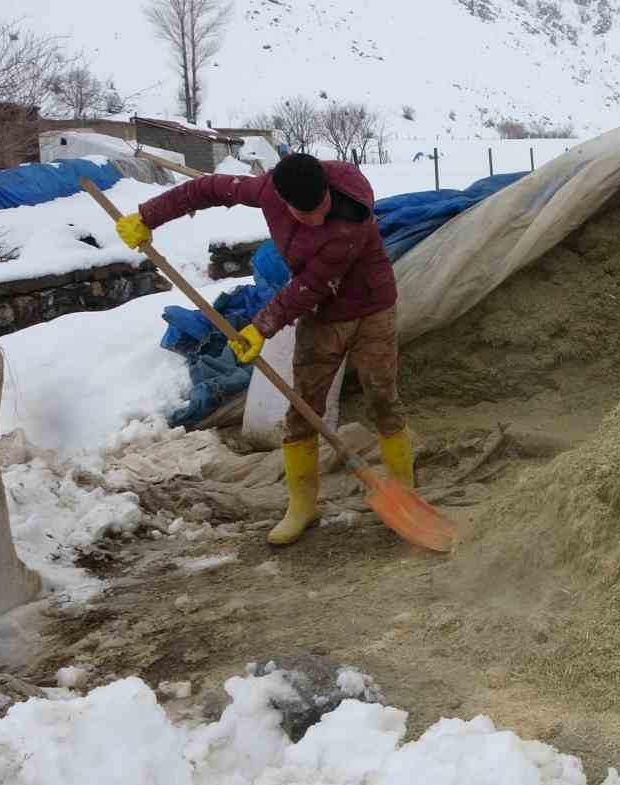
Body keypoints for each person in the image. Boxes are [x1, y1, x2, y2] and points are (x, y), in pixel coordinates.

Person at [113, 153, 411, 546]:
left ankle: (405, 497)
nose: (317, 218)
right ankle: (302, 506)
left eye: (321, 208)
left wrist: (261, 326)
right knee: (303, 407)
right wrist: (149, 215)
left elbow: (312, 285)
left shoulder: (351, 216)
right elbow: (207, 188)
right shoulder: (267, 189)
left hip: (372, 308)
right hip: (323, 317)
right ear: (283, 200)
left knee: (383, 400)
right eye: (306, 213)